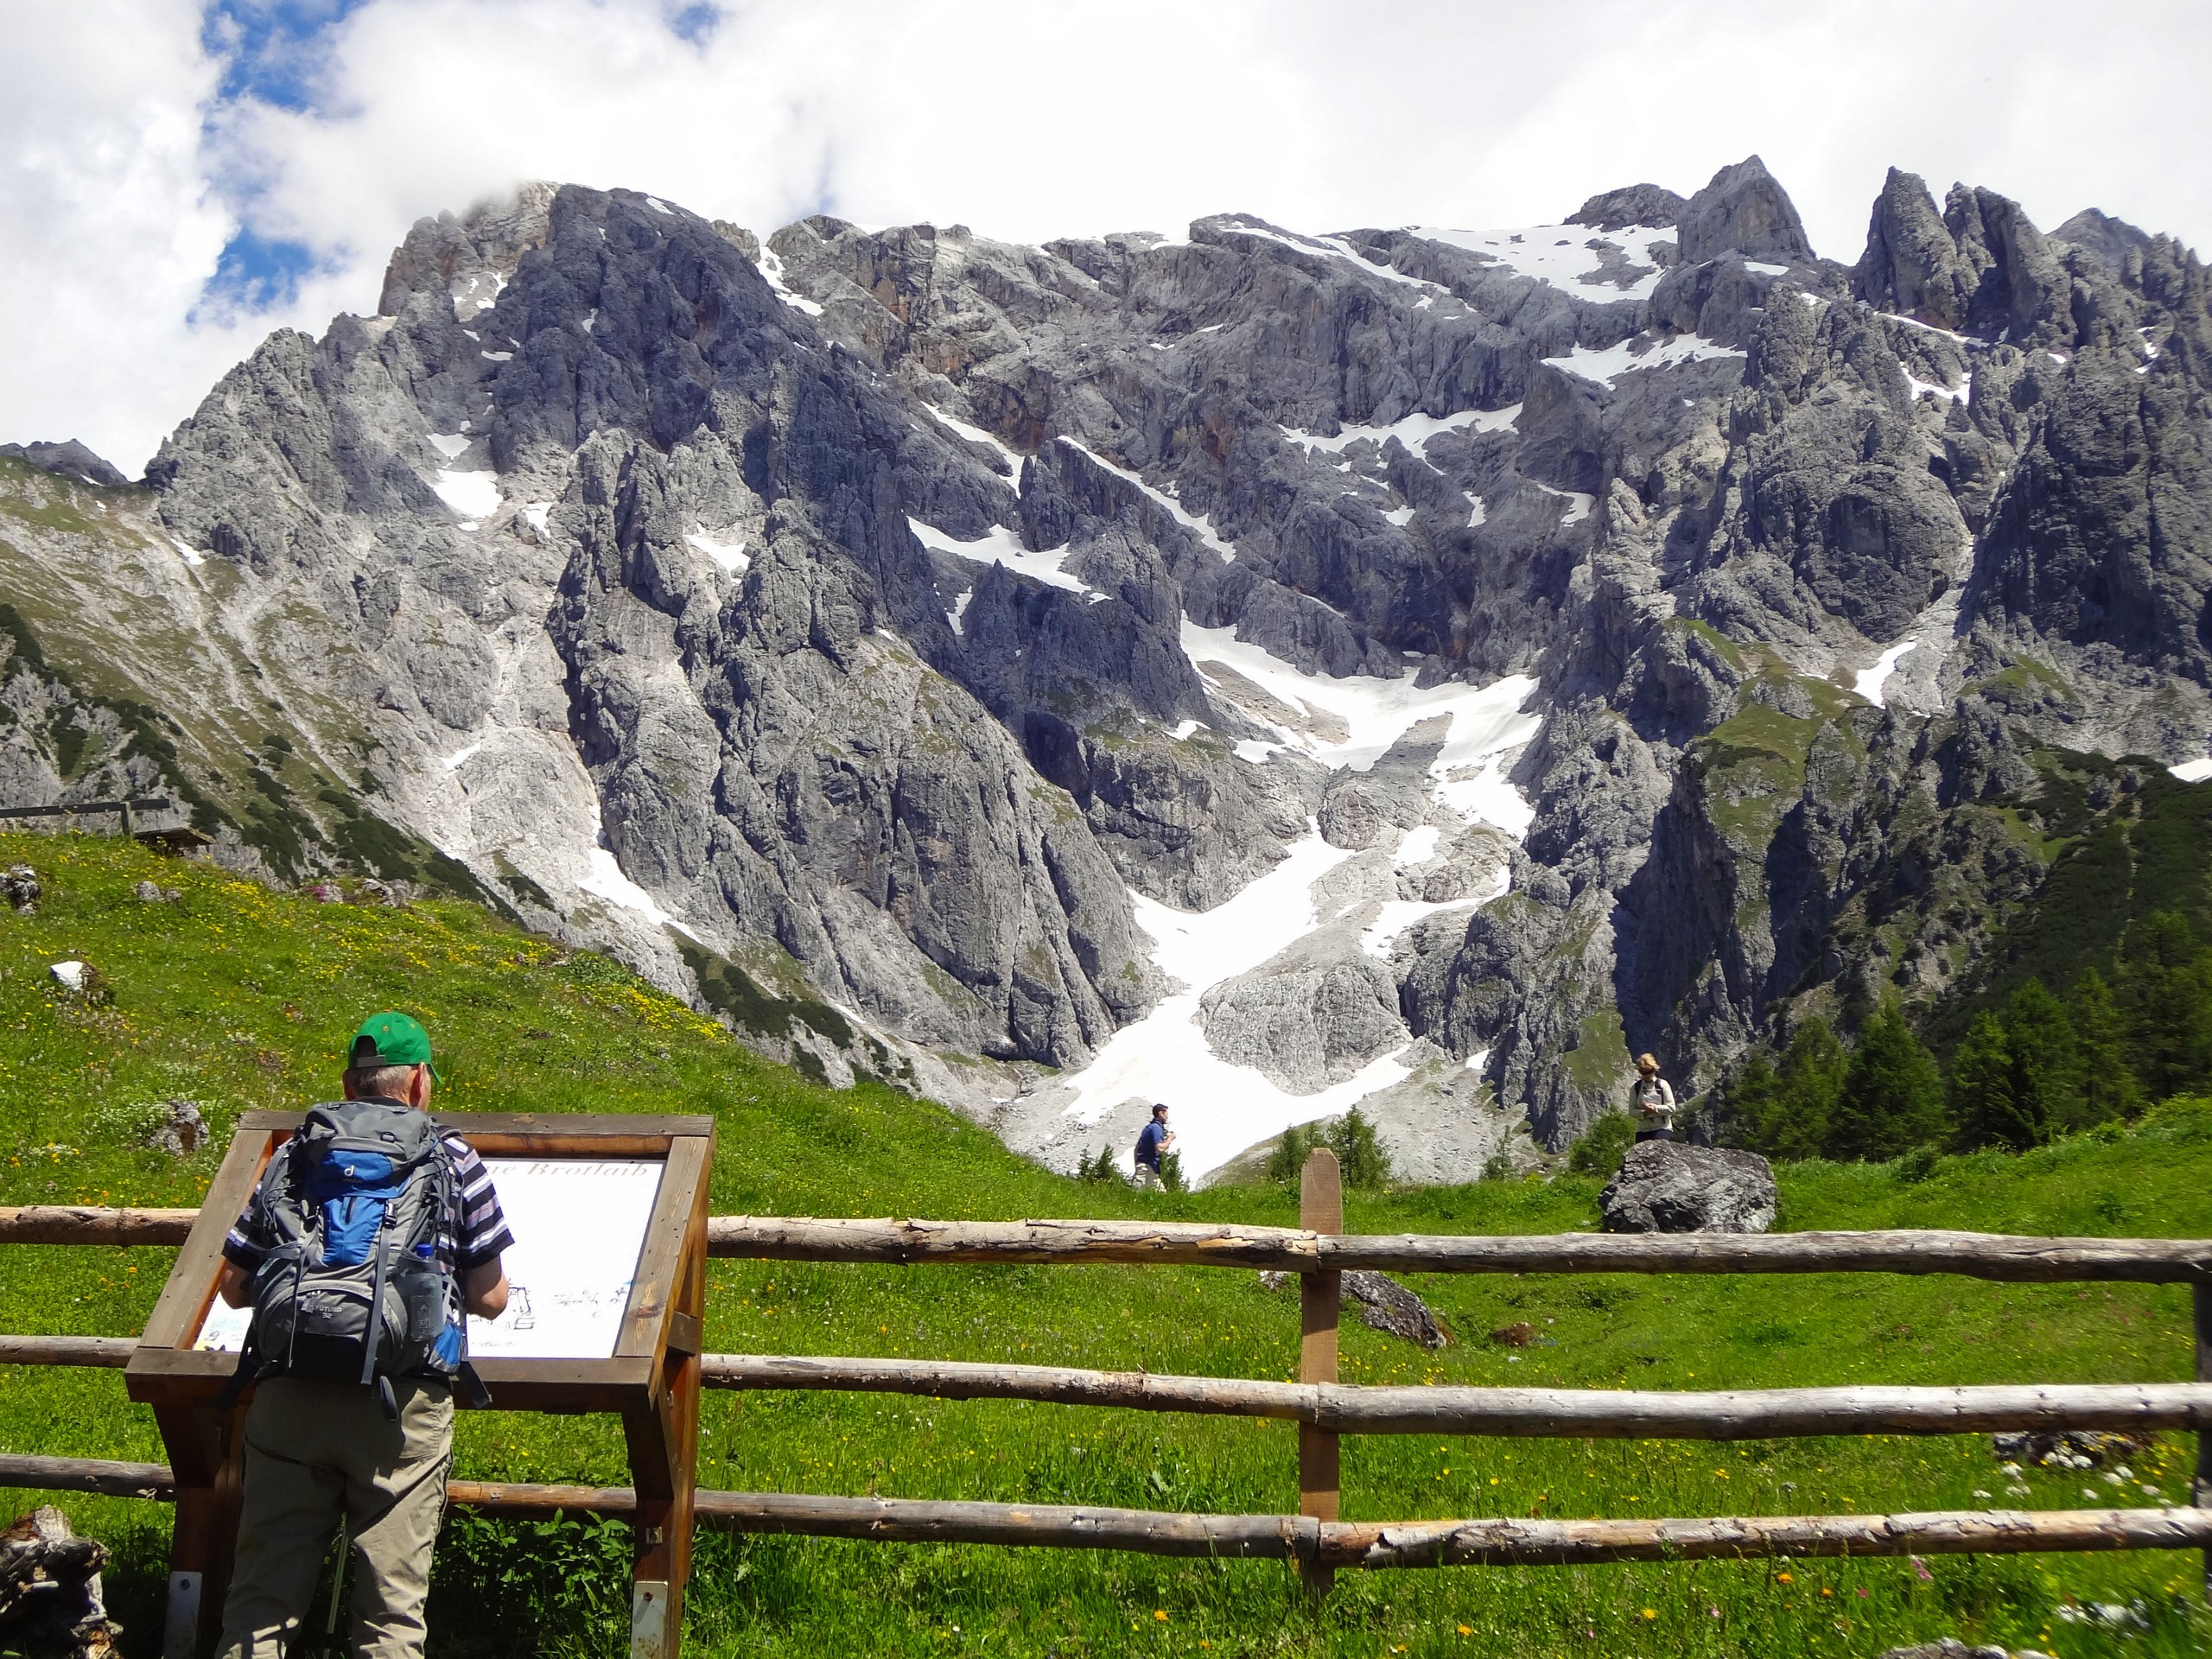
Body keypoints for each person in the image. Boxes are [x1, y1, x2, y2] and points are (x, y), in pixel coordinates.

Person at [212, 1013, 512, 1659]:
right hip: (402, 1407)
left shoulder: (295, 1153)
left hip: (289, 1393)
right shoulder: (453, 1156)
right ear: (421, 1083)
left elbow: (235, 1286)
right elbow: (490, 1297)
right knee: (390, 1613)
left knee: (261, 1601)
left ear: (349, 1085)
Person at [1630, 1052, 1676, 1142]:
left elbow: (1672, 1109)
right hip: (1643, 1129)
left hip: (1662, 1128)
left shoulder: (1663, 1085)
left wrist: (1655, 1108)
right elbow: (1631, 1111)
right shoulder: (1636, 1088)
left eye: (1650, 1071)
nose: (1647, 1075)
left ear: (1654, 1070)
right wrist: (1644, 1113)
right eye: (1644, 1072)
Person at [1133, 1103, 1175, 1191]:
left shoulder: (1149, 1128)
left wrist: (1137, 1164)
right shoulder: (1156, 1128)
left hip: (1146, 1167)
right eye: (1166, 1113)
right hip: (1148, 1167)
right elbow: (1160, 1148)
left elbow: (1136, 1149)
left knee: (1159, 1192)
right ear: (1161, 1113)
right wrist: (1169, 1139)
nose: (1167, 1116)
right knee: (1138, 1193)